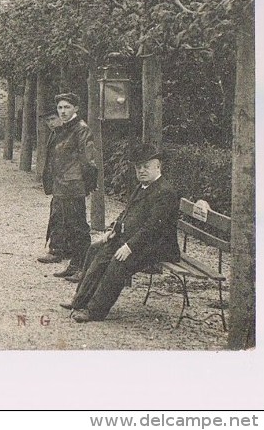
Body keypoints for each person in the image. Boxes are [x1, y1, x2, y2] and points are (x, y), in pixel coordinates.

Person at [61, 142, 181, 323]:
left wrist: (129, 246)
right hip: (133, 240)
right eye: (138, 167)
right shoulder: (142, 186)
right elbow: (127, 214)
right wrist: (113, 230)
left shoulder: (165, 192)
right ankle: (80, 300)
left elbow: (153, 228)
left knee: (118, 263)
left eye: (146, 166)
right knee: (96, 250)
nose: (141, 170)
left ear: (158, 166)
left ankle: (95, 311)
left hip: (157, 246)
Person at [39, 92, 97, 277]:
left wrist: (86, 185)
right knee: (69, 226)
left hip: (73, 185)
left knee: (78, 227)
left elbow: (88, 161)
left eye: (67, 107)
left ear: (76, 109)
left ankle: (84, 268)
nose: (62, 111)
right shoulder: (64, 128)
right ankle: (75, 265)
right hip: (62, 184)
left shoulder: (81, 129)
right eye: (60, 108)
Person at [38, 111, 68, 262]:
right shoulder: (55, 133)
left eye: (52, 119)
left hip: (64, 182)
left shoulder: (65, 134)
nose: (50, 123)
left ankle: (56, 250)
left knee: (59, 214)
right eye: (47, 120)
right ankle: (63, 248)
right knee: (60, 213)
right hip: (58, 181)